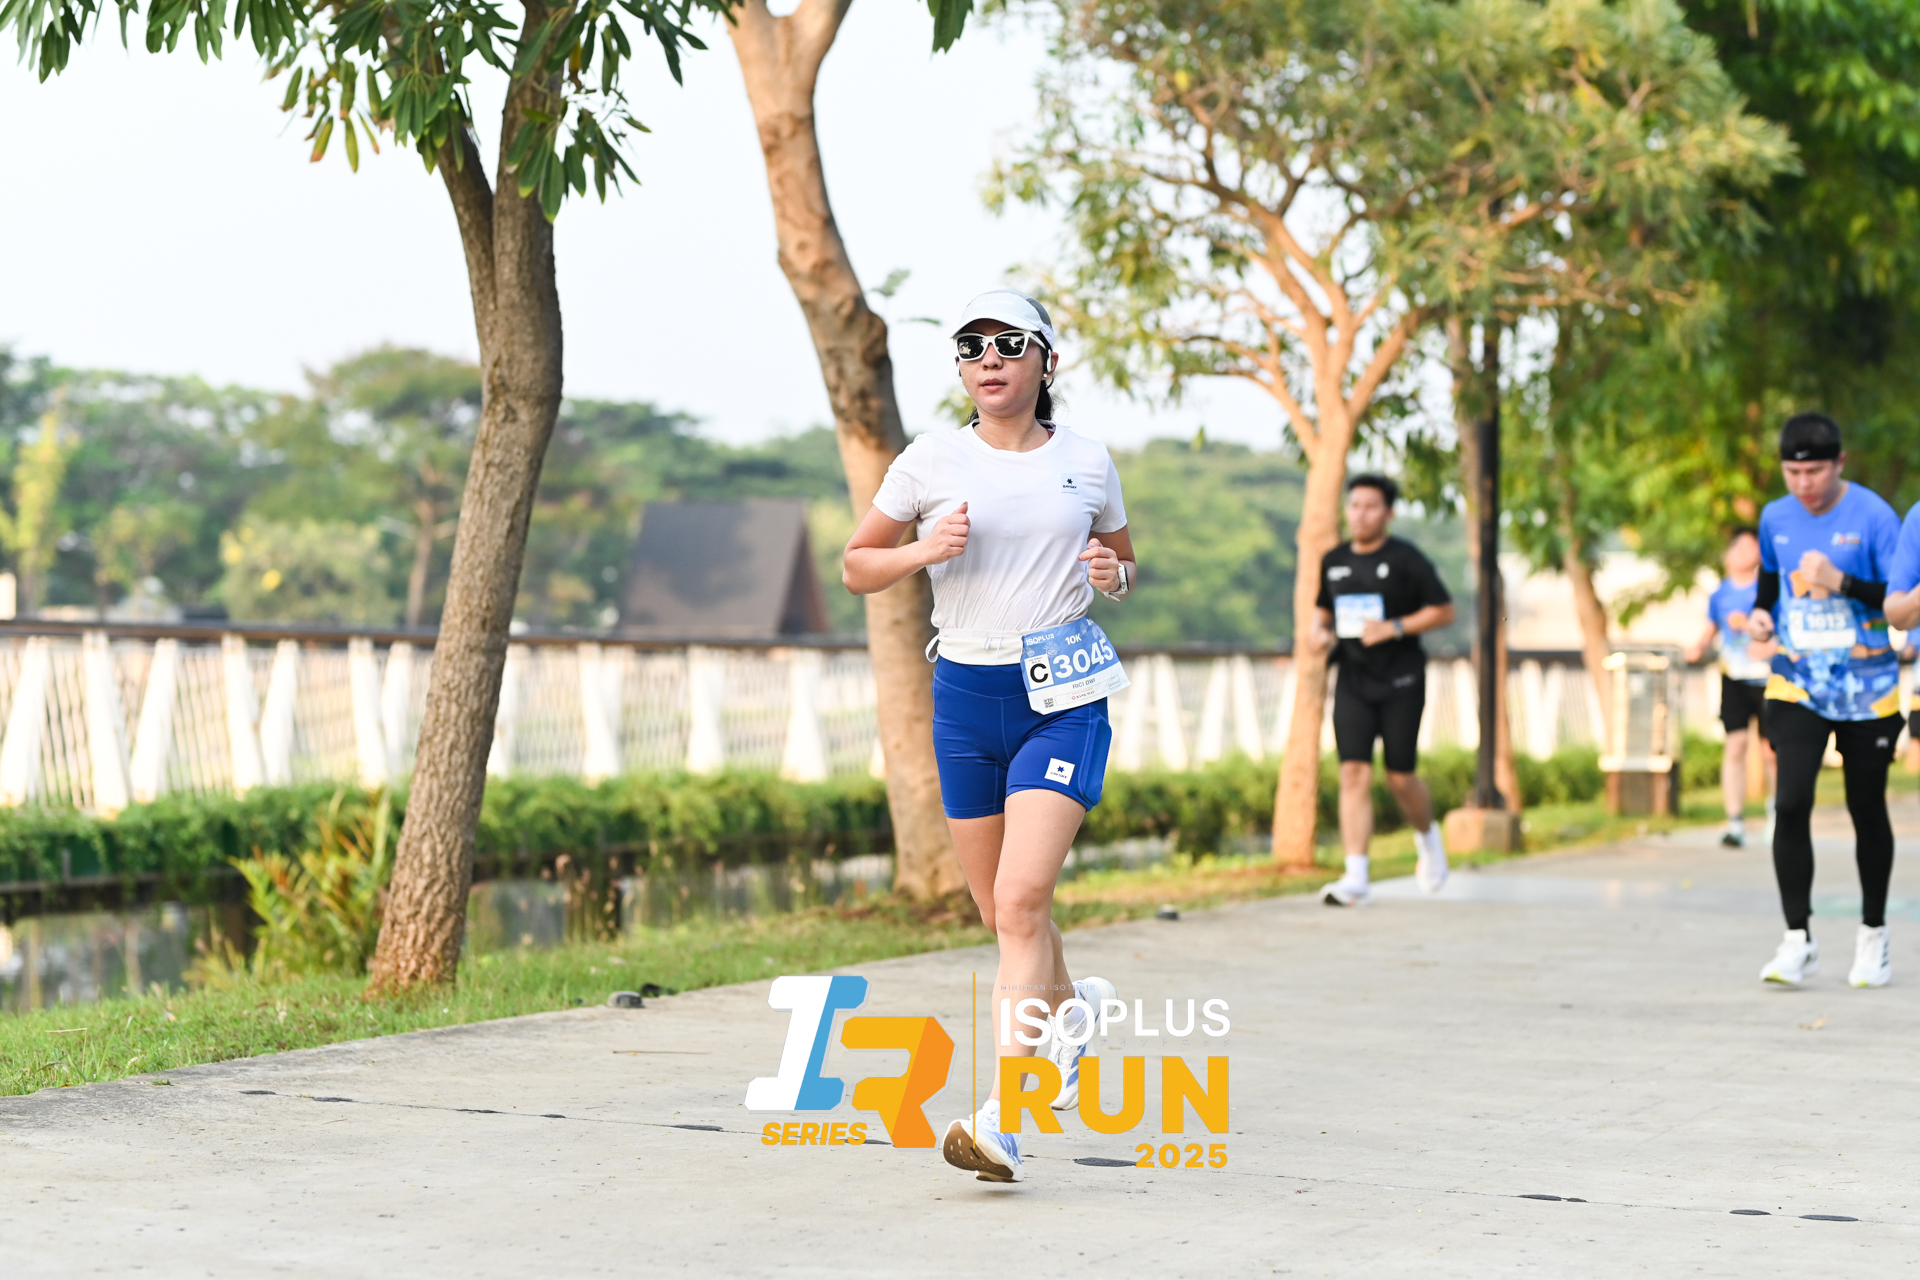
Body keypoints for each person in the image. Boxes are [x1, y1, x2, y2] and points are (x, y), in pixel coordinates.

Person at [842, 289, 1135, 1184]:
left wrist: (1111, 573)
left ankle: (1003, 1118)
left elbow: (1124, 563)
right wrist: (923, 552)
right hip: (966, 693)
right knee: (1003, 912)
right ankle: (1072, 1010)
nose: (990, 359)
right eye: (973, 348)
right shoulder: (930, 459)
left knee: (1020, 899)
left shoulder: (1087, 460)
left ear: (1047, 360)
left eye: (1010, 343)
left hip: (1064, 694)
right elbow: (858, 564)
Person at [1746, 413, 1901, 989]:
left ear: (1839, 463)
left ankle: (1873, 937)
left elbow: (1902, 599)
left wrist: (1842, 582)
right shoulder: (1774, 517)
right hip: (1797, 683)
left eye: (1814, 471)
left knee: (1866, 808)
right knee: (1790, 804)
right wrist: (1761, 616)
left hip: (1868, 688)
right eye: (1792, 473)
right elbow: (1769, 584)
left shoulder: (1875, 516)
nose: (1803, 484)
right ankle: (1798, 940)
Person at [1310, 473, 1457, 906]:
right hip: (1353, 679)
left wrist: (1394, 627)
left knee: (1399, 775)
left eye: (1371, 506)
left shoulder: (1406, 558)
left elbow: (1443, 610)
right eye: (1355, 505)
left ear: (1388, 513)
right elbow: (1323, 611)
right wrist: (1318, 633)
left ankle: (1428, 839)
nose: (1361, 514)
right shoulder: (1333, 559)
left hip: (1401, 680)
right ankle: (1356, 875)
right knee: (1353, 772)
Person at [1683, 529, 1777, 848]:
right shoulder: (1720, 594)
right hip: (1734, 677)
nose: (1747, 551)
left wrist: (1768, 644)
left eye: (1753, 546)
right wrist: (1697, 648)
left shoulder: (1769, 588)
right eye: (1741, 546)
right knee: (1735, 746)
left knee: (1771, 751)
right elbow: (1711, 629)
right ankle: (1734, 822)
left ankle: (1776, 815)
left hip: (1768, 678)